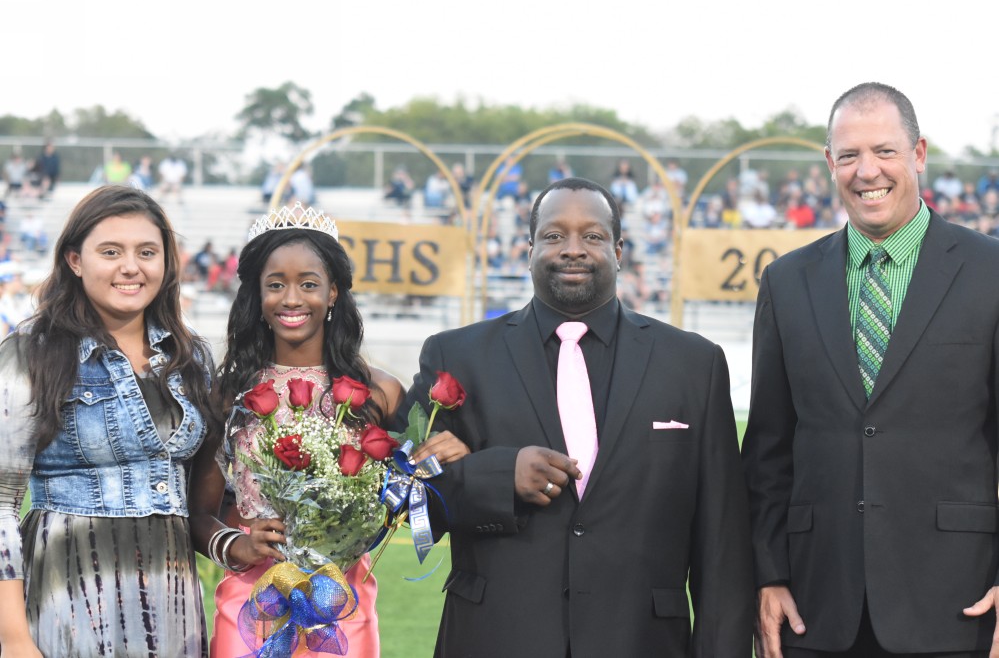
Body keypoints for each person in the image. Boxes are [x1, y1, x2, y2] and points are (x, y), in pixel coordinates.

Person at [399, 176, 754, 657]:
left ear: (619, 250)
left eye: (592, 235)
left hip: (643, 642)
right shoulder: (455, 356)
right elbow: (401, 491)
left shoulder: (693, 364)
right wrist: (499, 475)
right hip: (495, 639)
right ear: (527, 249)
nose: (573, 249)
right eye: (553, 235)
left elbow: (723, 544)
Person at [742, 81, 999, 658]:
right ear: (829, 163)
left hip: (958, 604)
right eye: (850, 155)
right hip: (815, 608)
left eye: (884, 151)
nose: (867, 171)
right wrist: (768, 573)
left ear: (919, 154)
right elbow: (767, 450)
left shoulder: (990, 272)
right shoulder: (787, 283)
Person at [188, 203, 470, 657]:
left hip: (343, 605)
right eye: (275, 285)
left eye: (309, 284)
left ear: (334, 292)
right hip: (251, 607)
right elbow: (197, 514)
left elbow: (413, 485)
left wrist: (440, 454)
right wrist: (238, 545)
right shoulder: (230, 395)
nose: (292, 298)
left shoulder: (379, 392)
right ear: (257, 297)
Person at [0, 185, 217, 656]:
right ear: (75, 260)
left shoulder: (192, 356)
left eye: (146, 252)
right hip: (68, 595)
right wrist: (13, 639)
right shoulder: (32, 351)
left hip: (172, 602)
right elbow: (0, 500)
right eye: (111, 251)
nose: (130, 267)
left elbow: (206, 493)